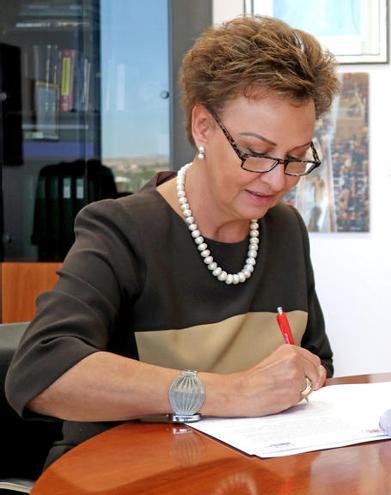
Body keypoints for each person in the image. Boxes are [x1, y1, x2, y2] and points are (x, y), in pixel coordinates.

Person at [5, 16, 338, 466]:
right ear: (203, 126)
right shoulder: (121, 230)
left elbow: (316, 362)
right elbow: (42, 371)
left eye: (296, 158)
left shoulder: (285, 230)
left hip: (237, 470)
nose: (278, 179)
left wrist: (299, 378)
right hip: (121, 475)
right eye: (256, 152)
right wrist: (232, 392)